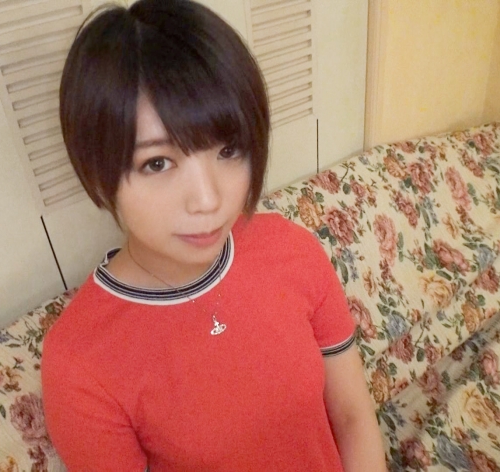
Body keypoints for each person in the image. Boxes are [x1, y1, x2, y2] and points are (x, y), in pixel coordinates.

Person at [41, 0, 387, 470]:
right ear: (97, 170)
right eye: (157, 163)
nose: (208, 200)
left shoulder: (290, 249)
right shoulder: (79, 363)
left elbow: (352, 416)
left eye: (228, 150)